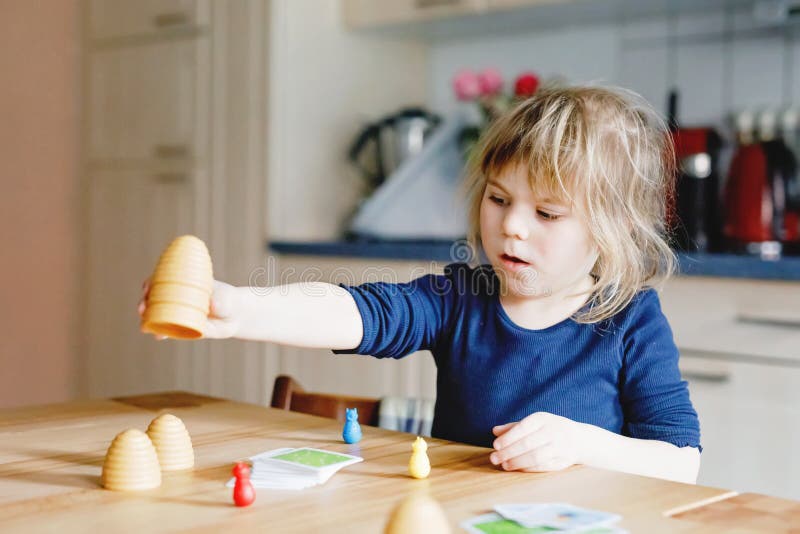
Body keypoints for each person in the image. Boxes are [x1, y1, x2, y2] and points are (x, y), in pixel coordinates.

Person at [138, 84, 701, 484]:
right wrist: (238, 309)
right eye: (499, 199)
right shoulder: (462, 298)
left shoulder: (632, 320)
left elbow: (682, 460)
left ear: (613, 230)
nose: (511, 226)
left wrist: (581, 444)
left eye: (548, 213)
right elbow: (359, 312)